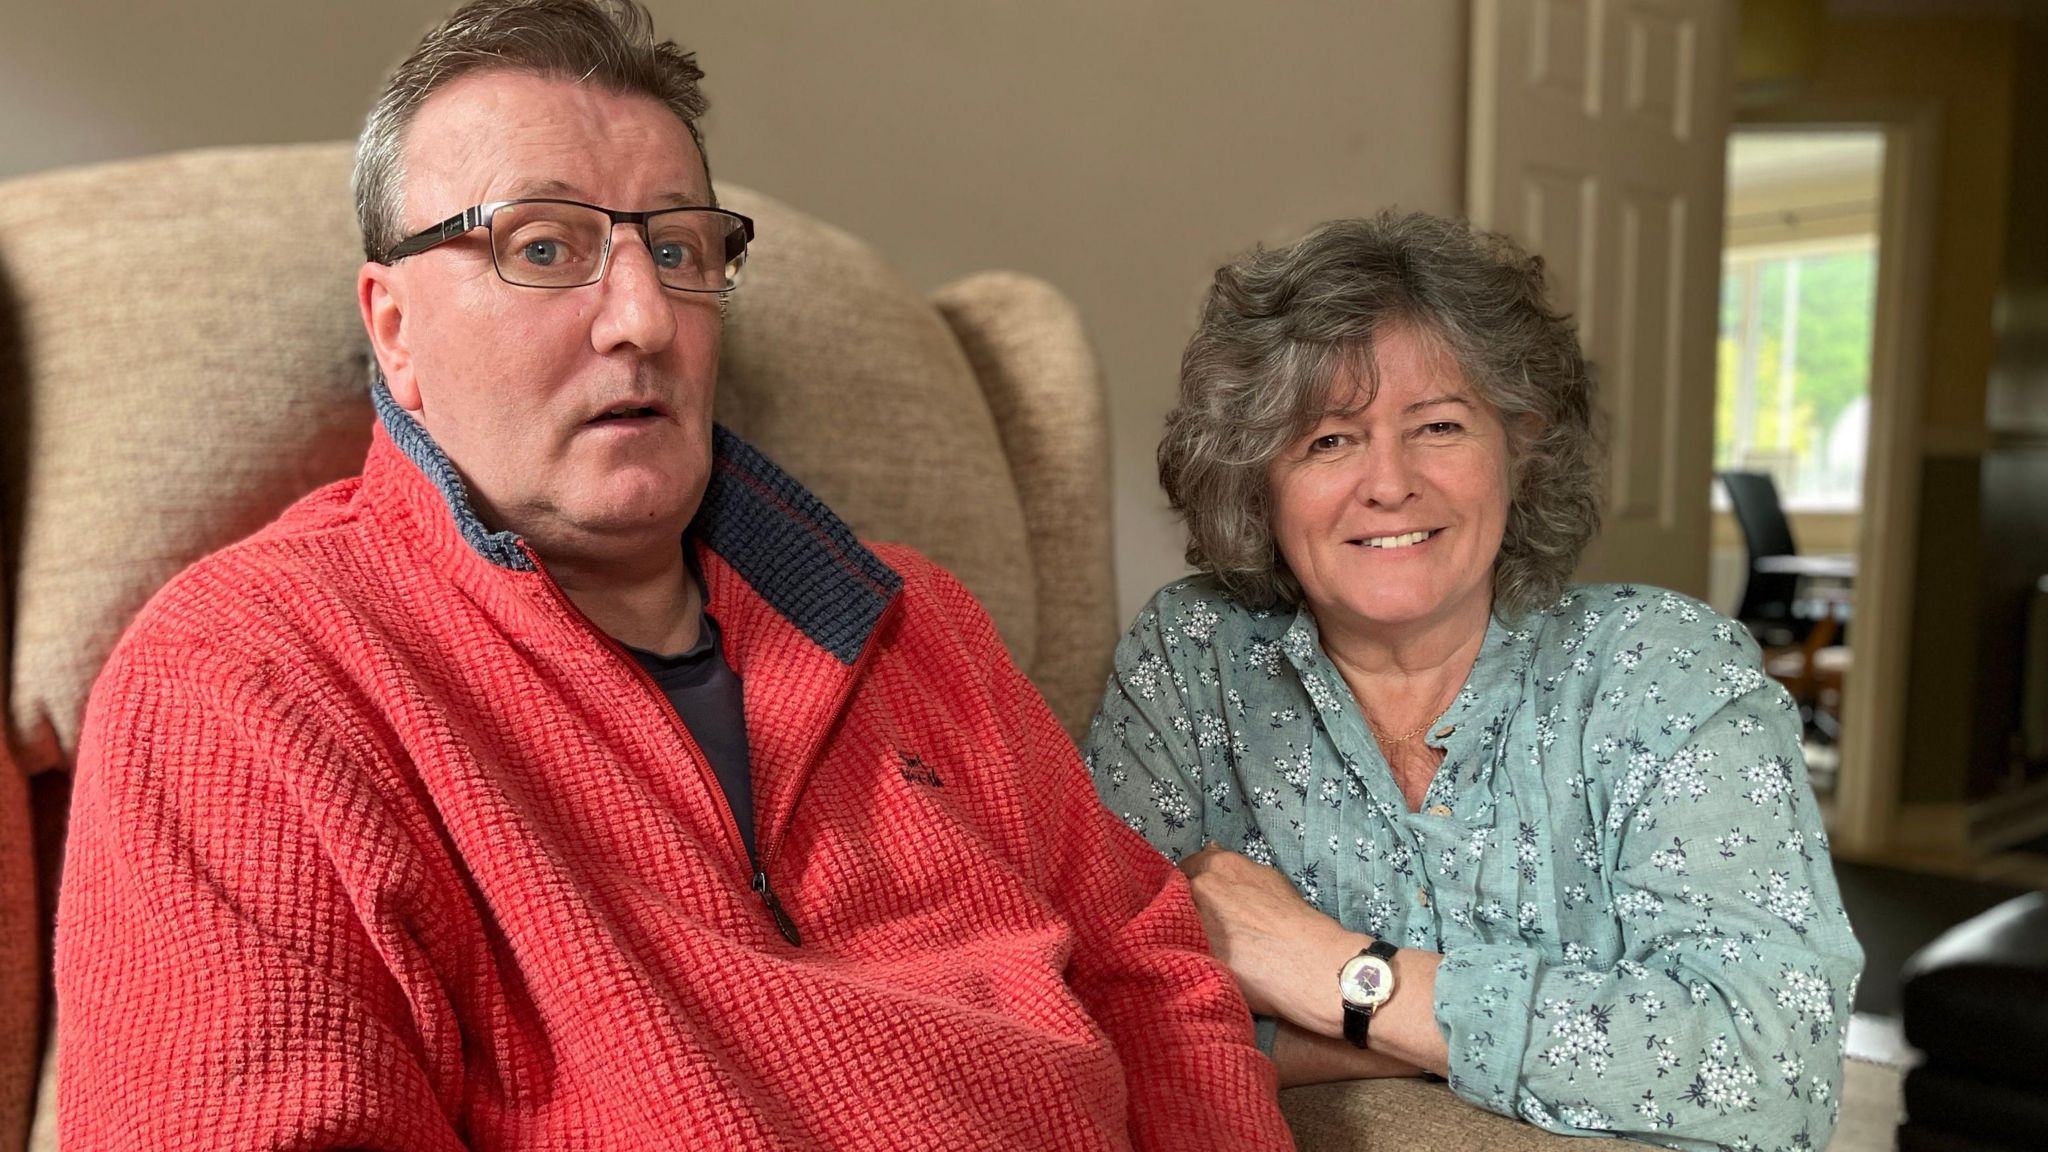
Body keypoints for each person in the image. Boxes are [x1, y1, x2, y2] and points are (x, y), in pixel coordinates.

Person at [53, 2, 1292, 1147]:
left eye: (682, 248)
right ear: (394, 328)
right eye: (545, 247)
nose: (642, 316)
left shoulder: (914, 620)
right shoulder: (242, 684)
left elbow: (1152, 980)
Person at [1088, 212, 1863, 1150]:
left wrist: (1337, 975)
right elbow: (1101, 1016)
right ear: (1259, 481)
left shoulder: (1669, 672)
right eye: (1329, 441)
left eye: (1439, 426)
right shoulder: (1192, 655)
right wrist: (1434, 1036)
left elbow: (1772, 1067)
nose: (1389, 483)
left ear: (1519, 449)